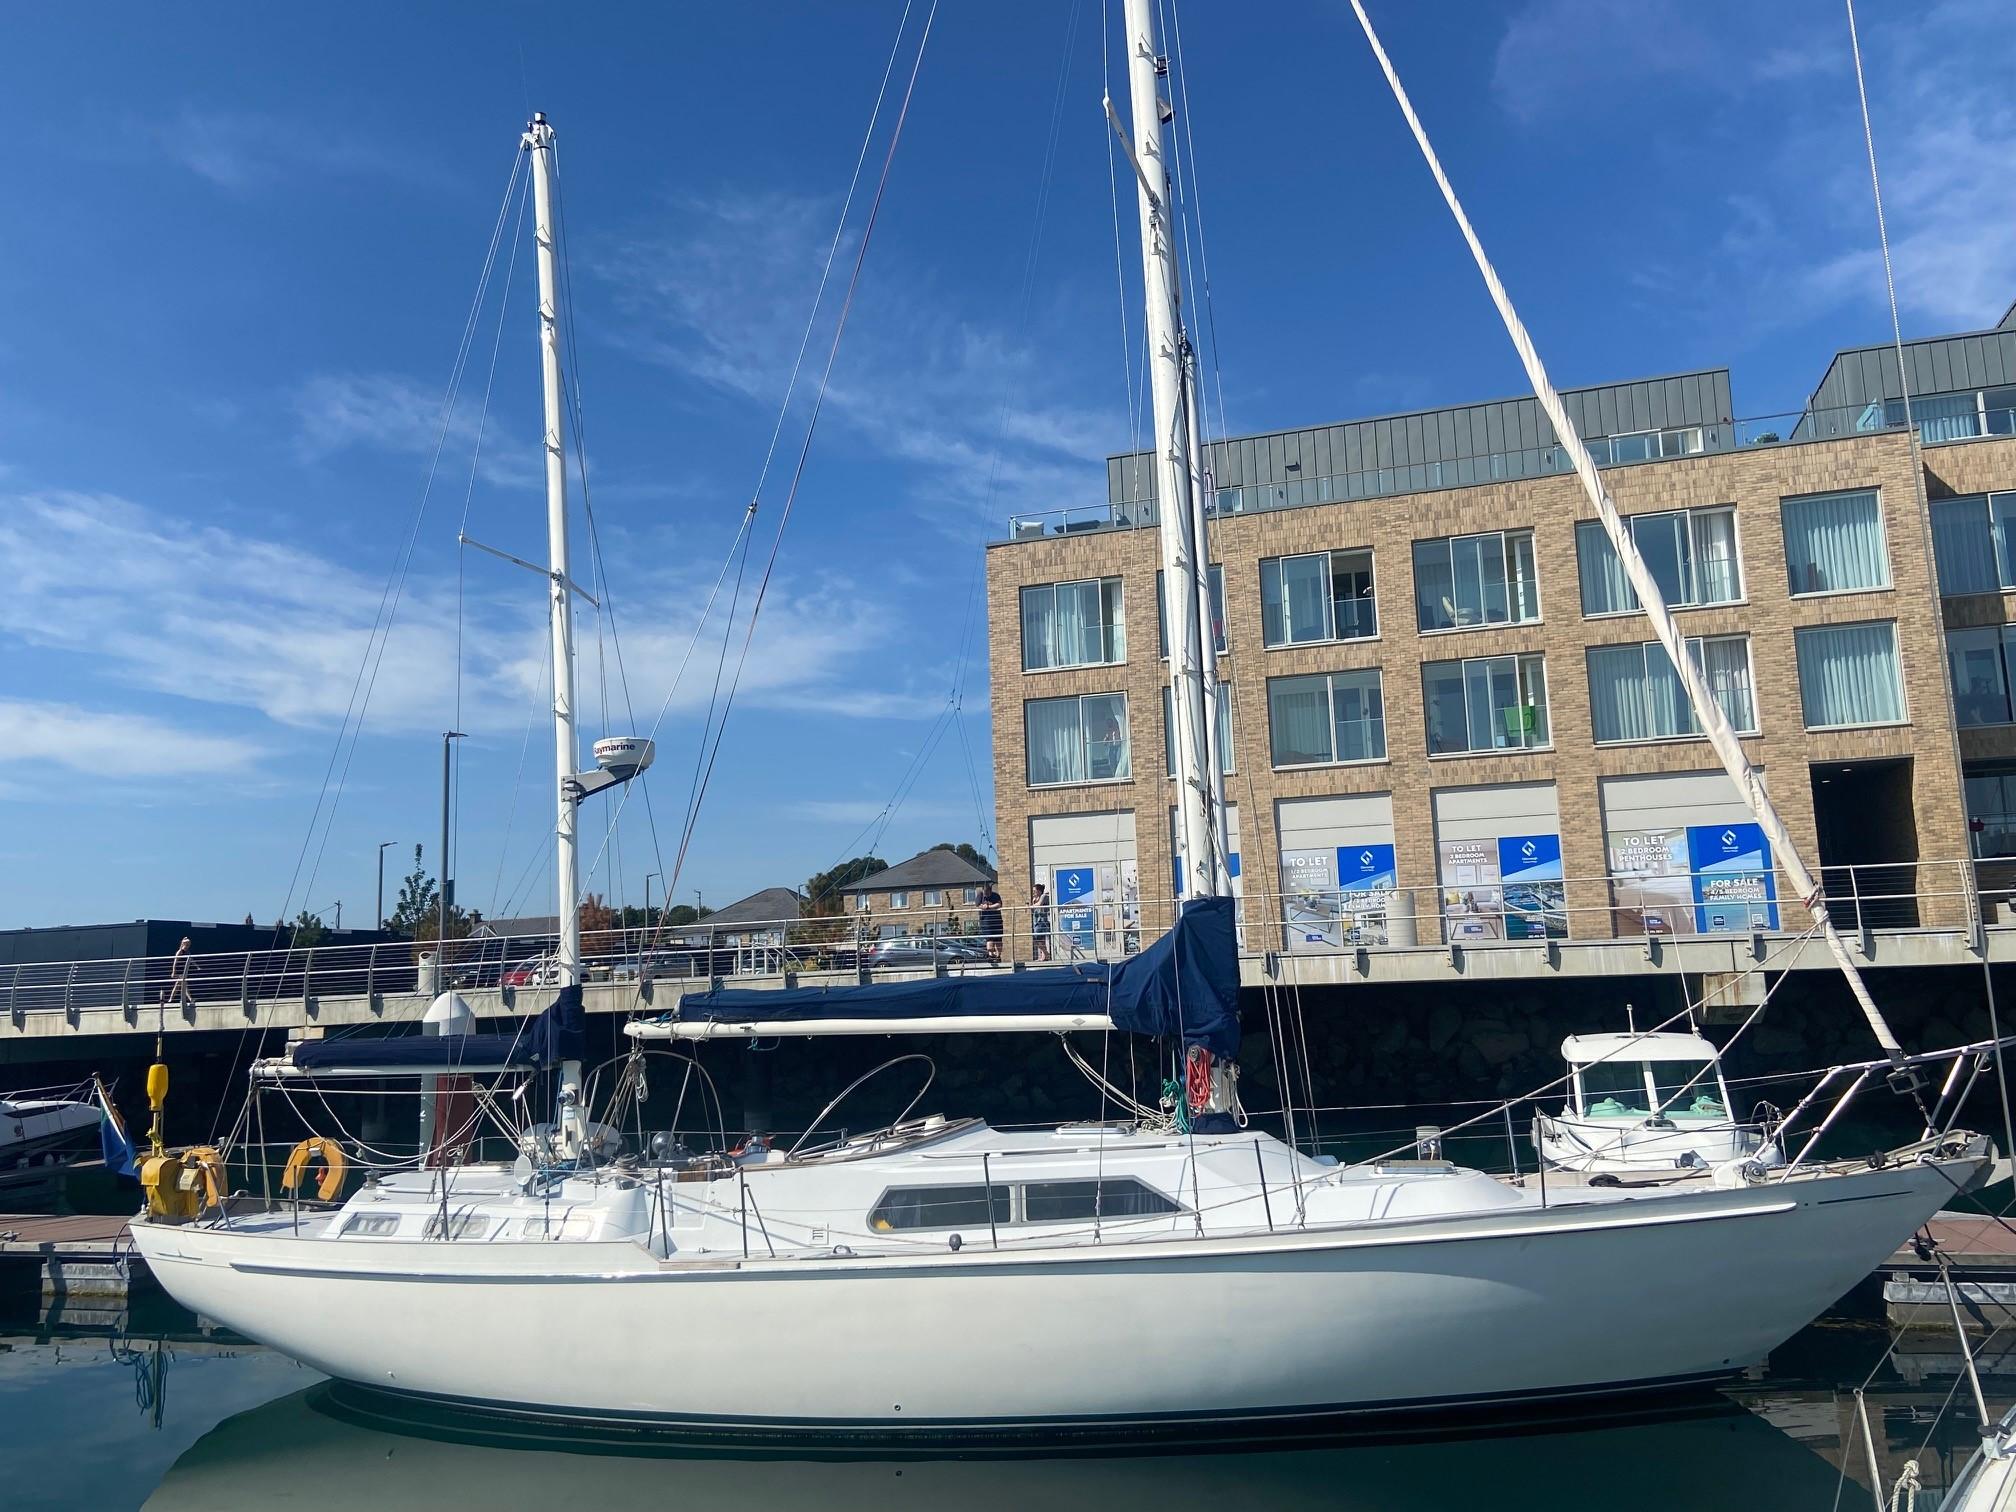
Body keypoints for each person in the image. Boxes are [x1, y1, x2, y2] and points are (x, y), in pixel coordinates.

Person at [978, 885, 1004, 963]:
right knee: (989, 939)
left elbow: (999, 904)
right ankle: (991, 955)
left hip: (997, 921)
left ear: (990, 891)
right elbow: (978, 905)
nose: (986, 894)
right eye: (985, 892)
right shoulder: (980, 896)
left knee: (998, 939)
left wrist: (989, 906)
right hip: (986, 922)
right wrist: (984, 906)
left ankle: (998, 956)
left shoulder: (995, 895)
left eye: (987, 892)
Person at [1029, 883, 1052, 961]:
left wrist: (1032, 905)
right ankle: (1044, 956)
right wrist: (1032, 904)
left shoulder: (1043, 896)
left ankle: (1046, 954)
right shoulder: (1034, 899)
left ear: (1039, 891)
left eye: (1034, 891)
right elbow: (1033, 909)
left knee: (1036, 939)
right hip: (1036, 922)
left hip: (1042, 921)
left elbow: (1039, 904)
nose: (1033, 892)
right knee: (1040, 940)